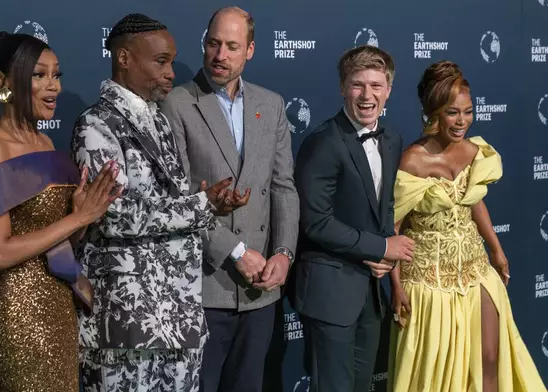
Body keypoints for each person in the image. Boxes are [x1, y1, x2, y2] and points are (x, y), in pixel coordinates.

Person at [71, 13, 245, 392]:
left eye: (171, 61)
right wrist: (201, 206)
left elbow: (167, 204)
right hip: (126, 317)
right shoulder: (96, 125)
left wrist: (210, 201)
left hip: (178, 310)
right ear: (124, 58)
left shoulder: (159, 121)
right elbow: (112, 215)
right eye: (160, 61)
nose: (170, 73)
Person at [0, 32, 120, 392]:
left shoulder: (46, 143)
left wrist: (82, 219)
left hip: (55, 301)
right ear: (1, 80)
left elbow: (54, 240)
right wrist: (77, 218)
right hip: (13, 309)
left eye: (56, 75)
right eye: (39, 75)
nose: (53, 87)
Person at [160, 6, 300, 392]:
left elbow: (283, 187)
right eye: (213, 43)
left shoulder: (271, 105)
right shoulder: (176, 104)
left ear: (250, 50)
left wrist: (284, 254)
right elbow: (178, 197)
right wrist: (236, 251)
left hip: (261, 291)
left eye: (232, 46)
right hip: (204, 289)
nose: (220, 55)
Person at [387, 60, 546, 392]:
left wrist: (497, 251)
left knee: (490, 357)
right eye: (452, 113)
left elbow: (474, 201)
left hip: (476, 271)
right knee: (437, 376)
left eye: (467, 112)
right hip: (429, 284)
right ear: (433, 112)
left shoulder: (474, 151)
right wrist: (396, 285)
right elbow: (393, 228)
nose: (462, 121)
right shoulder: (413, 161)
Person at [290, 45, 416, 392]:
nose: (367, 95)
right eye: (358, 84)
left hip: (370, 293)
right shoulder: (323, 142)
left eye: (376, 86)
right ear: (344, 87)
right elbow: (315, 222)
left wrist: (384, 260)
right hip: (330, 292)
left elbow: (385, 208)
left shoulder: (391, 141)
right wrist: (379, 248)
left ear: (388, 90)